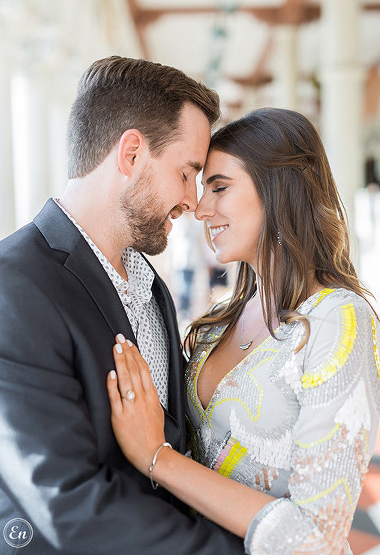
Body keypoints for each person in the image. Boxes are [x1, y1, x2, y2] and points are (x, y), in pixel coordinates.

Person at [107, 108, 380, 554]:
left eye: (219, 187)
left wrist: (157, 458)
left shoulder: (337, 321)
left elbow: (315, 537)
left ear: (277, 189)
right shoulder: (219, 322)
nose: (198, 208)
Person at [0, 56, 244, 553]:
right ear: (131, 153)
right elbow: (65, 499)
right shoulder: (16, 280)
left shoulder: (151, 285)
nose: (193, 202)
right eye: (186, 172)